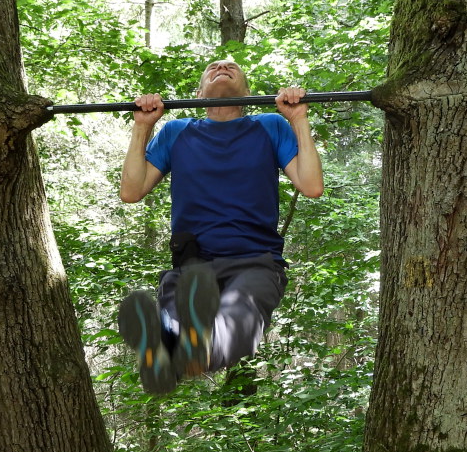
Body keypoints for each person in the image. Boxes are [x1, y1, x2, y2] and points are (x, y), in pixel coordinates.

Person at [117, 59, 324, 394]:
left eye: (233, 67)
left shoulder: (269, 126)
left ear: (248, 93)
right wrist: (142, 126)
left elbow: (312, 185)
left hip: (255, 261)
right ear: (199, 93)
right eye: (212, 68)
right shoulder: (176, 132)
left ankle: (187, 354)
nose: (223, 66)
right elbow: (131, 191)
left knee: (240, 312)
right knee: (173, 316)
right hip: (192, 266)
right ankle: (174, 354)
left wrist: (298, 119)